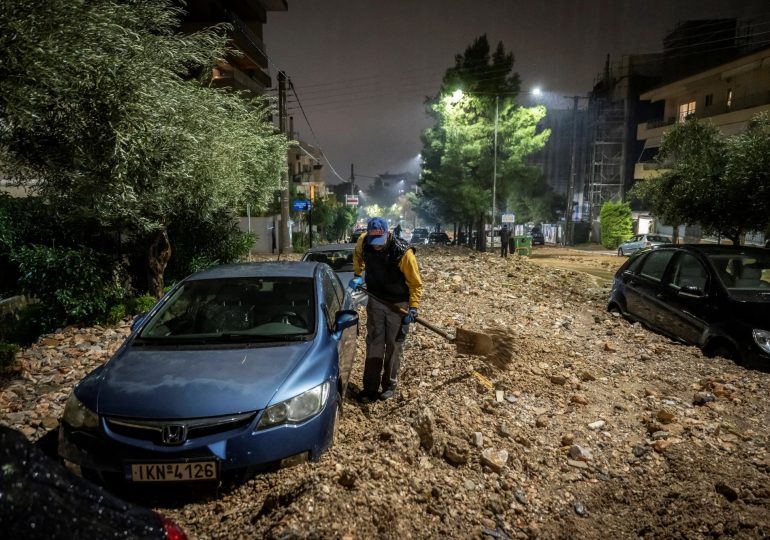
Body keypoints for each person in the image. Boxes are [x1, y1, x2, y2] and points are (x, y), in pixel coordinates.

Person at [348, 217, 423, 402]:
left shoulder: (403, 253)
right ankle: (370, 387)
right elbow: (357, 255)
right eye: (374, 243)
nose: (377, 246)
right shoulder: (364, 242)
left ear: (388, 234)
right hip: (376, 300)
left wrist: (413, 307)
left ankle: (389, 385)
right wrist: (358, 274)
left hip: (398, 305)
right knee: (374, 343)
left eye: (380, 243)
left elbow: (416, 284)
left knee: (394, 345)